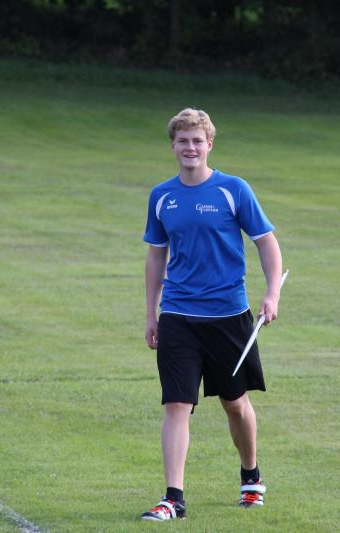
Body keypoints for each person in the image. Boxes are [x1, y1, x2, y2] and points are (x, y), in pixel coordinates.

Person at [140, 108, 283, 521]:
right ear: (173, 145)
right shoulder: (161, 196)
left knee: (234, 404)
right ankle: (174, 498)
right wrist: (151, 314)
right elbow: (156, 256)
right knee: (176, 405)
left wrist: (272, 293)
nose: (190, 147)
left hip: (228, 317)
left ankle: (251, 477)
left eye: (197, 141)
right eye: (183, 141)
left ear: (209, 145)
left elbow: (266, 242)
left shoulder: (233, 190)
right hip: (178, 316)